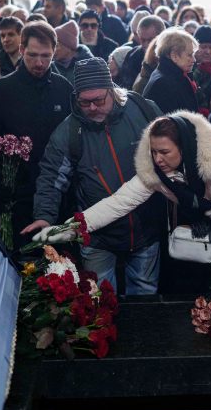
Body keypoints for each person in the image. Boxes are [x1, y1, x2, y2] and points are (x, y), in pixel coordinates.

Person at [42, 111, 211, 293]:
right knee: (201, 285)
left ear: (184, 147)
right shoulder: (154, 172)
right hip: (203, 220)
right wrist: (70, 228)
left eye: (165, 152)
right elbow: (118, 203)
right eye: (153, 152)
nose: (158, 159)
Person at [23, 58, 164, 293]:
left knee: (144, 299)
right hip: (97, 237)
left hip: (145, 230)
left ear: (112, 91)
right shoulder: (68, 133)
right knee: (98, 305)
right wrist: (44, 216)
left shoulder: (143, 110)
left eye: (99, 100)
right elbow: (51, 178)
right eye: (85, 102)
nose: (92, 108)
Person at [0, 21, 72, 250]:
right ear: (21, 50)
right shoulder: (2, 91)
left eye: (46, 56)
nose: (39, 63)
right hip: (14, 197)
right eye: (33, 55)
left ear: (54, 52)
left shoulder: (63, 89)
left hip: (58, 194)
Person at [142, 28, 199, 114]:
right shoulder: (164, 84)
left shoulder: (166, 75)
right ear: (174, 56)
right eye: (190, 55)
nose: (194, 60)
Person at [116, 15, 165, 89]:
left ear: (162, 36)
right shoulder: (132, 56)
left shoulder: (171, 56)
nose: (146, 44)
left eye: (150, 40)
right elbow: (125, 86)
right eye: (142, 40)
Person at [52, 20, 93, 85]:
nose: (52, 50)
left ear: (69, 46)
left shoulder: (90, 66)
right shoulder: (51, 67)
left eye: (56, 45)